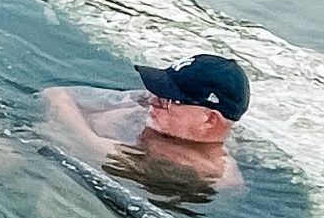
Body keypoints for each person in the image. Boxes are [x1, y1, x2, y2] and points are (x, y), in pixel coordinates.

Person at [41, 52, 250, 195]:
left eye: (166, 98)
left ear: (209, 119)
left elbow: (86, 143)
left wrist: (65, 118)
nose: (152, 100)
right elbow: (55, 94)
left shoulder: (201, 171)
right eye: (157, 92)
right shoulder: (152, 107)